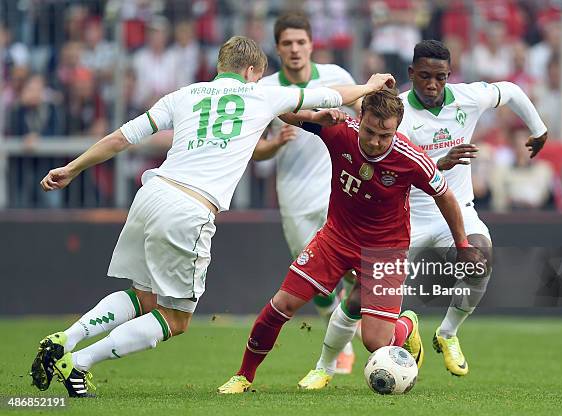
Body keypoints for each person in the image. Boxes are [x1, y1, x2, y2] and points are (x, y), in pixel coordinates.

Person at [30, 35, 394, 398]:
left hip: (151, 194)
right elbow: (332, 95)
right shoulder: (260, 94)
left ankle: (66, 338)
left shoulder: (184, 95)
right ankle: (78, 362)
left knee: (144, 296)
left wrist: (73, 167)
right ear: (252, 71)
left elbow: (123, 137)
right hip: (189, 208)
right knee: (175, 319)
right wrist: (371, 85)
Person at [303, 39, 548, 386]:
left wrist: (539, 130)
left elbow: (509, 90)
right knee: (359, 299)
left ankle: (447, 333)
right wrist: (438, 164)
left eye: (440, 77)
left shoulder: (467, 98)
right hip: (405, 220)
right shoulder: (396, 114)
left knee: (480, 260)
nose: (432, 85)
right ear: (411, 74)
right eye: (424, 76)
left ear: (449, 75)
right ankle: (324, 366)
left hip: (455, 210)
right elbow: (390, 173)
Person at [217, 89, 484, 394]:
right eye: (370, 131)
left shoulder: (411, 158)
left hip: (385, 250)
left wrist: (462, 245)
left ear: (396, 129)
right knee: (283, 303)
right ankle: (243, 376)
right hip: (335, 238)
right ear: (360, 119)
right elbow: (282, 111)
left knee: (375, 342)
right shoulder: (339, 131)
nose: (374, 141)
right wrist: (315, 117)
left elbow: (446, 196)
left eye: (385, 135)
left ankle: (406, 325)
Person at [253, 12, 358, 374]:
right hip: (294, 196)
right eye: (287, 43)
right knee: (316, 277)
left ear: (312, 44)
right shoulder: (266, 90)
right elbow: (252, 149)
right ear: (278, 48)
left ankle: (352, 342)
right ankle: (342, 337)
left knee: (355, 271)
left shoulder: (336, 78)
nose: (295, 49)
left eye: (301, 42)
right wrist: (275, 145)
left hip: (339, 191)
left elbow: (363, 114)